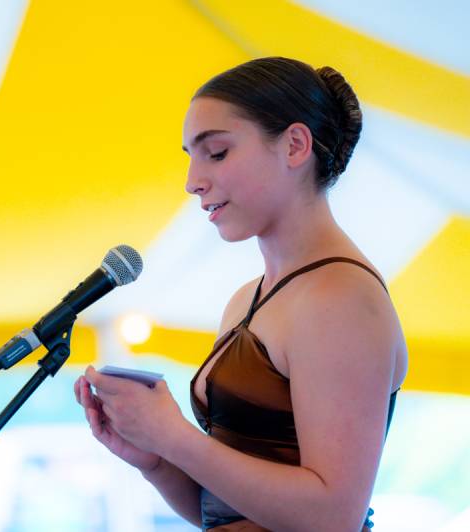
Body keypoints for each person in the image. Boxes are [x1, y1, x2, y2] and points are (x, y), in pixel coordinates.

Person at [74, 57, 408, 531]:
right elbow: (226, 510)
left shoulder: (340, 297)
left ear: (294, 146)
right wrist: (154, 458)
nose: (193, 182)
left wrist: (176, 438)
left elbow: (334, 517)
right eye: (190, 157)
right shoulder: (248, 298)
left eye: (216, 153)